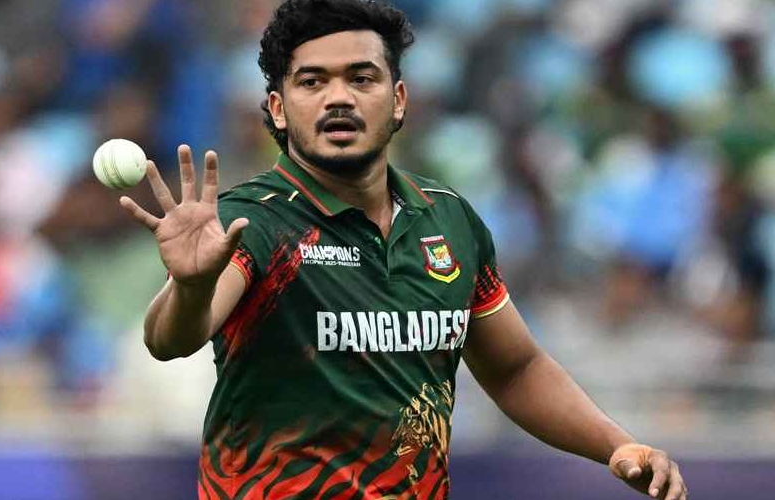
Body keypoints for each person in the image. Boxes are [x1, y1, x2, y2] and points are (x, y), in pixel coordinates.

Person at [119, 0, 688, 499]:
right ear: (277, 108)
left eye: (361, 78)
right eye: (312, 82)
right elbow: (171, 339)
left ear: (397, 100)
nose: (338, 97)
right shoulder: (255, 219)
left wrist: (617, 446)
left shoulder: (448, 219)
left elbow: (516, 369)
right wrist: (191, 285)